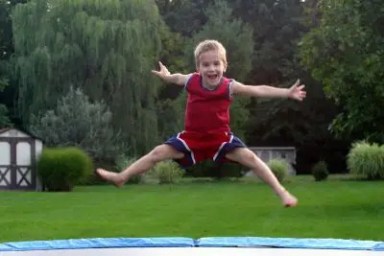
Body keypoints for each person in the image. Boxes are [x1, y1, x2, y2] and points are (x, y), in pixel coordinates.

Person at [96, 39, 306, 207]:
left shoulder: (229, 87)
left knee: (251, 158)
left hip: (220, 138)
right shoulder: (191, 81)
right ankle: (121, 177)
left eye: (216, 64)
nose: (211, 69)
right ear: (198, 67)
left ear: (224, 65)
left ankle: (282, 193)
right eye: (206, 65)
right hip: (192, 138)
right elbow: (176, 78)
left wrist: (286, 92)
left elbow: (258, 90)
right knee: (157, 153)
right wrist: (167, 77)